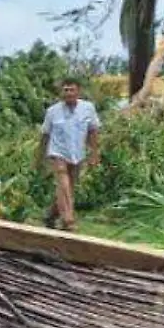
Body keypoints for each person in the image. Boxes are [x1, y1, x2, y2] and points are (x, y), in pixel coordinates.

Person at [39, 79, 102, 231]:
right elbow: (45, 135)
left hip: (76, 154)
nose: (68, 93)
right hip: (57, 152)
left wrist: (94, 154)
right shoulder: (53, 111)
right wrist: (40, 156)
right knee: (64, 184)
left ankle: (51, 215)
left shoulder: (88, 108)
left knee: (67, 189)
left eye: (71, 90)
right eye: (65, 90)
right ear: (61, 92)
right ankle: (68, 220)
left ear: (78, 92)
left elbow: (93, 131)